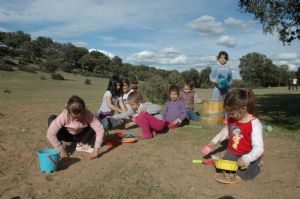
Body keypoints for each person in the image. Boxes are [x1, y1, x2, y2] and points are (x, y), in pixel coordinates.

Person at [204, 88, 264, 180]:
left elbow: (259, 148)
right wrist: (214, 141)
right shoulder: (232, 119)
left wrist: (246, 159)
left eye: (232, 113)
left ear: (244, 109)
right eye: (228, 113)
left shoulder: (254, 124)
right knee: (222, 167)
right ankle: (233, 160)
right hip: (233, 152)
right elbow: (225, 131)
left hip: (248, 154)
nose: (229, 116)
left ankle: (257, 164)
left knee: (244, 176)